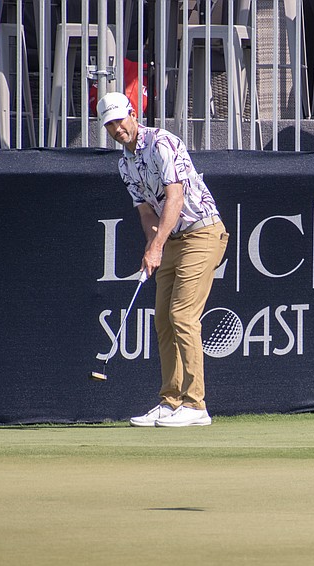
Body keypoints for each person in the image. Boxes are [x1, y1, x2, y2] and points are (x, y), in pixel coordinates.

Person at [96, 92, 229, 427]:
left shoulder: (162, 142)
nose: (116, 128)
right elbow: (145, 211)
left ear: (132, 113)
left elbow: (175, 196)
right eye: (109, 124)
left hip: (201, 232)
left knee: (183, 315)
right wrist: (152, 244)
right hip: (172, 239)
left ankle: (196, 404)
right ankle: (170, 402)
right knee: (163, 320)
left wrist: (156, 247)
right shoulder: (124, 163)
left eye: (119, 120)